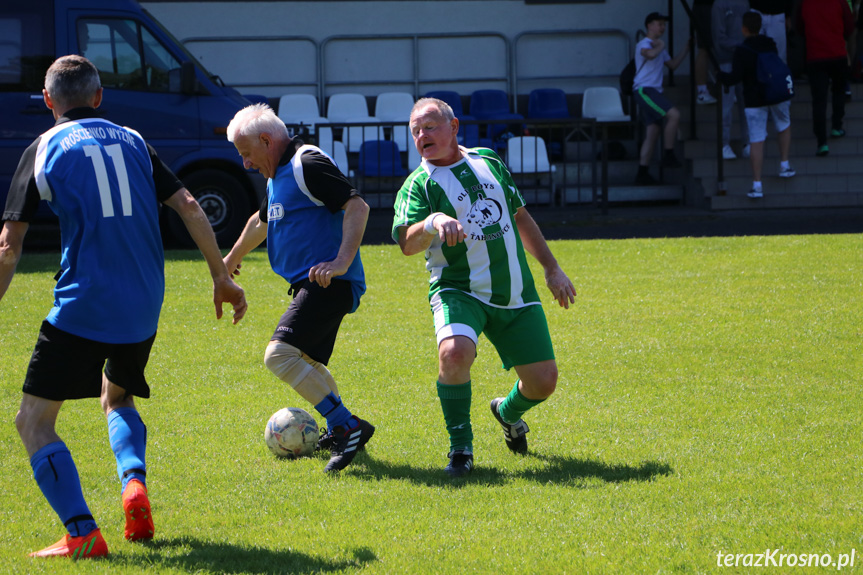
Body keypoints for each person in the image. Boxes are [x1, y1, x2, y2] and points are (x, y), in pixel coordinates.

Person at [0, 55, 247, 559]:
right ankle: (133, 484)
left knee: (33, 422)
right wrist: (221, 276)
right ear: (98, 97)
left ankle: (82, 533)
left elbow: (9, 245)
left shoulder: (43, 146)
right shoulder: (133, 140)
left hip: (84, 303)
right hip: (143, 302)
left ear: (48, 101)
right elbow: (191, 206)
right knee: (116, 395)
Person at [392, 98, 576, 478]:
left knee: (544, 383)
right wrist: (432, 222)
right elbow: (407, 245)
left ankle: (507, 414)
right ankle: (461, 449)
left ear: (454, 126)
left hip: (514, 290)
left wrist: (552, 269)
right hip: (457, 290)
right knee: (454, 354)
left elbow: (520, 216)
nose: (421, 136)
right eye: (415, 131)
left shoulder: (488, 161)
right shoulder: (419, 184)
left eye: (429, 126)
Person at [223, 103, 374, 474]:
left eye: (247, 154)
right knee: (305, 361)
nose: (245, 163)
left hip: (327, 280)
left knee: (279, 356)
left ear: (265, 140)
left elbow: (357, 206)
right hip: (313, 283)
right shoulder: (279, 175)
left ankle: (346, 425)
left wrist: (340, 261)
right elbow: (261, 221)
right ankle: (346, 427)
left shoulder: (306, 163)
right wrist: (230, 260)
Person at [719, 11, 797, 198]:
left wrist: (721, 76)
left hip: (754, 99)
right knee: (783, 125)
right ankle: (785, 164)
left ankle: (757, 184)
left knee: (756, 139)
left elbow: (735, 78)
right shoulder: (770, 44)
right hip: (776, 93)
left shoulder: (742, 50)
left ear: (743, 28)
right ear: (760, 25)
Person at [633, 12, 691, 186]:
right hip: (645, 90)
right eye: (659, 24)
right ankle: (669, 153)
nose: (662, 27)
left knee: (652, 133)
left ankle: (642, 173)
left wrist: (686, 49)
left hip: (654, 92)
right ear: (649, 26)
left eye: (663, 24)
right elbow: (649, 54)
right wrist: (661, 45)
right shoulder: (644, 44)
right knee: (674, 115)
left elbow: (672, 64)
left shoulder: (658, 46)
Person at [795, 0, 855, 156]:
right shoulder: (839, 2)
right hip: (837, 53)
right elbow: (849, 26)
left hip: (815, 56)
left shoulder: (805, 4)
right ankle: (836, 126)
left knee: (819, 100)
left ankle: (821, 142)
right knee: (839, 91)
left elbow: (799, 27)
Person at [712, 0, 751, 160]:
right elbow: (718, 36)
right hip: (726, 60)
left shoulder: (744, 3)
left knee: (747, 104)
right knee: (726, 106)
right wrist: (741, 46)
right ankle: (723, 144)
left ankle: (748, 143)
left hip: (743, 60)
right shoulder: (719, 5)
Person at [694, 0, 719, 104]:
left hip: (721, 5)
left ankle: (728, 88)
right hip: (705, 6)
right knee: (704, 48)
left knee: (726, 45)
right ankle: (702, 92)